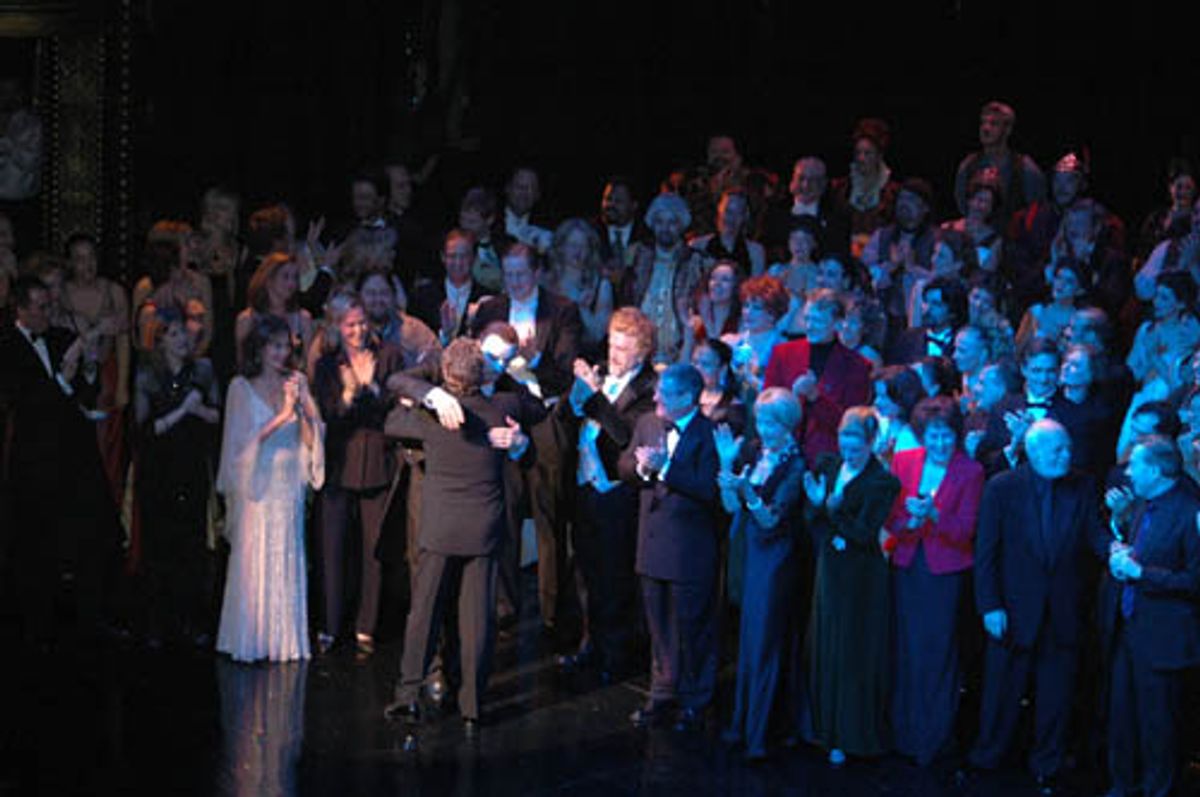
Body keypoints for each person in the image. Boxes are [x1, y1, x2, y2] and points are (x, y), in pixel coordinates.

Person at [382, 337, 531, 731]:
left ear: (445, 373)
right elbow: (535, 406)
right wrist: (517, 436)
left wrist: (426, 396)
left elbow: (392, 416)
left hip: (441, 528)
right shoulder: (503, 409)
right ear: (482, 373)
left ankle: (408, 695)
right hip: (483, 527)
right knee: (477, 617)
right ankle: (473, 705)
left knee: (425, 612)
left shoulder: (430, 418)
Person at [967, 419, 1103, 793]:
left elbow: (1094, 533)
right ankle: (988, 756)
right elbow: (986, 551)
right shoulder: (1002, 487)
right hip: (1012, 608)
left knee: (1056, 695)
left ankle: (1047, 762)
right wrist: (989, 605)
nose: (1066, 455)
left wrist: (1118, 552)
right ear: (1034, 451)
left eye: (1067, 448)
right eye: (1058, 450)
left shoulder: (1082, 484)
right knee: (1001, 691)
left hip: (1063, 610)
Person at [1, 276, 120, 647]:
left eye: (49, 305)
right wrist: (62, 382)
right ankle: (38, 627)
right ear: (20, 309)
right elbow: (23, 401)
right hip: (36, 458)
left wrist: (87, 371)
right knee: (38, 542)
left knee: (87, 534)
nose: (46, 313)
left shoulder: (59, 338)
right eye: (39, 307)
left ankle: (90, 619)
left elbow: (85, 391)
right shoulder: (7, 346)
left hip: (73, 454)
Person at [471, 243, 581, 633]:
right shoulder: (490, 310)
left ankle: (552, 612)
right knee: (505, 510)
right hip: (504, 415)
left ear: (536, 273)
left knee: (549, 515)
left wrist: (535, 359)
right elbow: (474, 366)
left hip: (545, 419)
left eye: (521, 273)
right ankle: (505, 605)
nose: (514, 281)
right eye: (509, 274)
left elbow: (566, 375)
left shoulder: (562, 310)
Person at [555, 308, 658, 680]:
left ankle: (616, 654)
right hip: (585, 487)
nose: (614, 355)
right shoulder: (600, 372)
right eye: (612, 345)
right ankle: (590, 644)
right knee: (586, 573)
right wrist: (577, 394)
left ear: (641, 352)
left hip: (616, 493)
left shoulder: (647, 388)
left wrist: (595, 397)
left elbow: (625, 435)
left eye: (623, 349)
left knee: (615, 577)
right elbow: (565, 418)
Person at [216, 314, 324, 663]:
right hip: (257, 488)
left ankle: (283, 640)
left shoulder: (297, 382)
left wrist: (303, 411)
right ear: (259, 348)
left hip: (288, 485)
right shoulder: (240, 387)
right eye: (274, 346)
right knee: (255, 557)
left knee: (286, 554)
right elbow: (239, 445)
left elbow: (312, 439)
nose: (281, 353)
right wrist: (280, 416)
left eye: (285, 346)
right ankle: (251, 639)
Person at [885, 396, 984, 765]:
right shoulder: (904, 461)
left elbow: (966, 530)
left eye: (946, 436)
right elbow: (891, 516)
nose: (941, 443)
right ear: (922, 436)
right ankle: (903, 735)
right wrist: (909, 521)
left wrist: (934, 514)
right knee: (906, 649)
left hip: (944, 573)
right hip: (907, 565)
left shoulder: (970, 471)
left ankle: (933, 739)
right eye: (933, 436)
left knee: (938, 653)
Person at [621, 363, 720, 731]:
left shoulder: (710, 433)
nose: (656, 397)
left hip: (689, 551)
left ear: (689, 397)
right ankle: (661, 693)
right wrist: (641, 469)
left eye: (665, 393)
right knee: (658, 627)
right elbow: (624, 463)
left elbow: (708, 487)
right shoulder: (648, 423)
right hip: (652, 544)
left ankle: (695, 699)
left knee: (692, 629)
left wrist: (665, 469)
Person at [311, 291, 410, 655]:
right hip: (339, 463)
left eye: (362, 323)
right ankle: (330, 624)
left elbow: (396, 406)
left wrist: (372, 388)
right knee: (332, 548)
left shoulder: (390, 355)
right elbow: (328, 413)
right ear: (337, 326)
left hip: (376, 461)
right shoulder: (328, 364)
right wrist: (350, 395)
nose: (358, 331)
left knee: (374, 549)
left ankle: (366, 625)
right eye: (350, 325)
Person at [1101, 436, 1200, 797]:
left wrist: (1141, 573)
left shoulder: (1189, 513)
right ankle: (1123, 785)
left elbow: (1194, 580)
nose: (1128, 472)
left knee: (1159, 726)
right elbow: (1142, 549)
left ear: (1156, 471)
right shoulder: (1144, 505)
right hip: (1130, 630)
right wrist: (1123, 549)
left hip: (1164, 639)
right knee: (1122, 717)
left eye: (1135, 465)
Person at [803, 406, 901, 765]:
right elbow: (811, 518)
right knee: (826, 646)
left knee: (851, 652)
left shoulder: (882, 482)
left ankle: (849, 735)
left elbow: (863, 533)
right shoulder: (829, 466)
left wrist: (832, 509)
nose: (849, 450)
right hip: (829, 568)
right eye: (844, 441)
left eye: (856, 443)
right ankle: (824, 730)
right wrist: (820, 506)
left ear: (871, 442)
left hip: (861, 577)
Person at [716, 388, 806, 761]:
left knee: (766, 642)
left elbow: (771, 519)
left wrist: (747, 492)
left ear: (788, 425)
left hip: (776, 558)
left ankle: (759, 732)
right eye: (762, 421)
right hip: (748, 551)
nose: (765, 430)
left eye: (772, 423)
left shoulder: (796, 465)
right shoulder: (754, 452)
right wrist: (727, 466)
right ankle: (741, 723)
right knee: (748, 640)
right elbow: (730, 506)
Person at [134, 305, 221, 648]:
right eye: (174, 334)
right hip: (159, 468)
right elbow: (144, 430)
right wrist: (182, 411)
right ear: (159, 340)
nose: (183, 339)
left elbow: (216, 415)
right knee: (159, 544)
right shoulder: (148, 375)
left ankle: (191, 619)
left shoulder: (201, 370)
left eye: (184, 332)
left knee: (191, 544)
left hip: (190, 464)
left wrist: (198, 411)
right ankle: (157, 621)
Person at [62, 232, 131, 505]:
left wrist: (122, 384)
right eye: (80, 259)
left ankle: (108, 502)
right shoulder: (62, 293)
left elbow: (123, 340)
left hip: (105, 372)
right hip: (74, 375)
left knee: (107, 441)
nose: (87, 265)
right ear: (70, 263)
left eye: (91, 257)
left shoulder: (113, 292)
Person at [619, 192, 712, 364]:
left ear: (681, 225)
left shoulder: (697, 261)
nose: (665, 228)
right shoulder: (636, 255)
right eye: (660, 222)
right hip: (639, 350)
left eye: (672, 223)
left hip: (681, 351)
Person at [954, 100, 1045, 218]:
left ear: (1007, 129)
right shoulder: (969, 165)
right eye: (983, 123)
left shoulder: (1025, 168)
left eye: (993, 124)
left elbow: (1037, 211)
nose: (986, 128)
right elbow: (963, 207)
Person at [409, 229, 494, 346]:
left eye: (464, 256)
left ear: (474, 258)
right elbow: (414, 340)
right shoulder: (423, 296)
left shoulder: (488, 299)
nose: (458, 262)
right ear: (443, 257)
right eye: (452, 256)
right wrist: (444, 335)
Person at [830, 118, 901, 257]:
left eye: (868, 153)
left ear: (879, 155)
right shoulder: (841, 188)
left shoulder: (893, 191)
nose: (861, 158)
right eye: (858, 153)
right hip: (846, 256)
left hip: (880, 257)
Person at [545, 217, 613, 358]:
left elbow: (598, 335)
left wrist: (583, 309)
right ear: (561, 247)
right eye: (573, 245)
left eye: (583, 246)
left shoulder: (601, 285)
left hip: (584, 357)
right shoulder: (545, 281)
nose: (578, 251)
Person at [234, 252, 314, 372]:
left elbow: (309, 365)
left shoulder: (303, 319)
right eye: (285, 277)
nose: (291, 283)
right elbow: (242, 363)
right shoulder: (247, 319)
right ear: (268, 279)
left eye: (295, 277)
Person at [689, 188, 767, 277]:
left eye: (738, 213)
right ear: (719, 210)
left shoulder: (755, 252)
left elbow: (756, 283)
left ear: (745, 216)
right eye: (727, 211)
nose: (731, 218)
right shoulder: (698, 247)